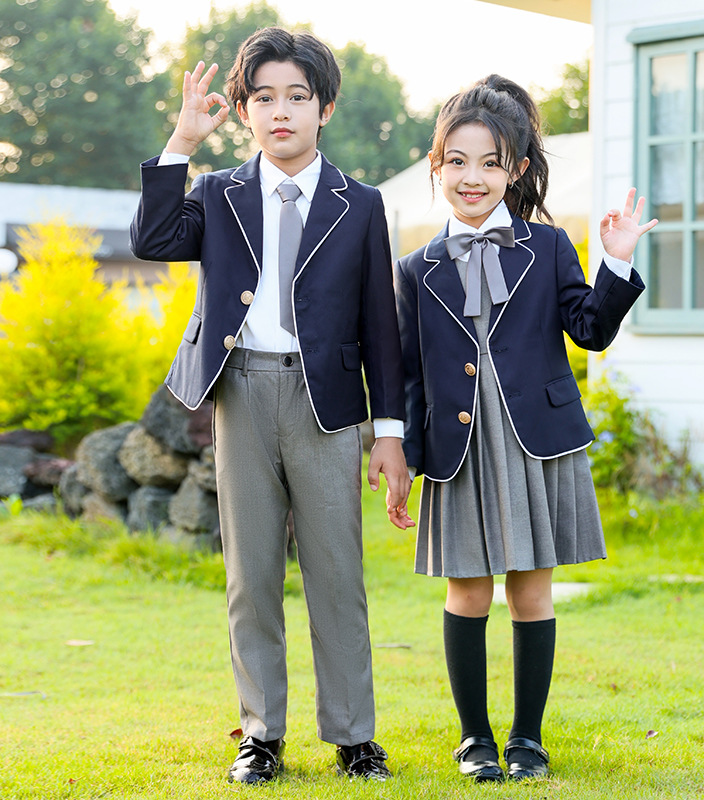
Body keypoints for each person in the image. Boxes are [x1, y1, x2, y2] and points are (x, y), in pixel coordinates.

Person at [130, 27, 412, 784]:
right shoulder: (219, 193)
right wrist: (182, 140)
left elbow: (381, 327)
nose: (279, 111)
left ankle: (355, 736)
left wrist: (389, 433)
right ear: (246, 112)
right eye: (263, 98)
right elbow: (154, 236)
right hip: (241, 393)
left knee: (336, 574)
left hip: (327, 406)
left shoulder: (360, 204)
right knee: (250, 575)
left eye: (297, 97)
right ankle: (262, 734)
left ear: (324, 109)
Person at [392, 74, 657, 782]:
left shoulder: (547, 248)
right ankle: (475, 739)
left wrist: (618, 260)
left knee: (531, 591)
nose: (471, 177)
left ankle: (527, 740)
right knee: (468, 592)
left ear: (516, 170)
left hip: (535, 443)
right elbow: (411, 377)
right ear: (436, 167)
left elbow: (590, 330)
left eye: (489, 163)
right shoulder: (415, 270)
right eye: (457, 161)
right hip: (458, 450)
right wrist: (408, 463)